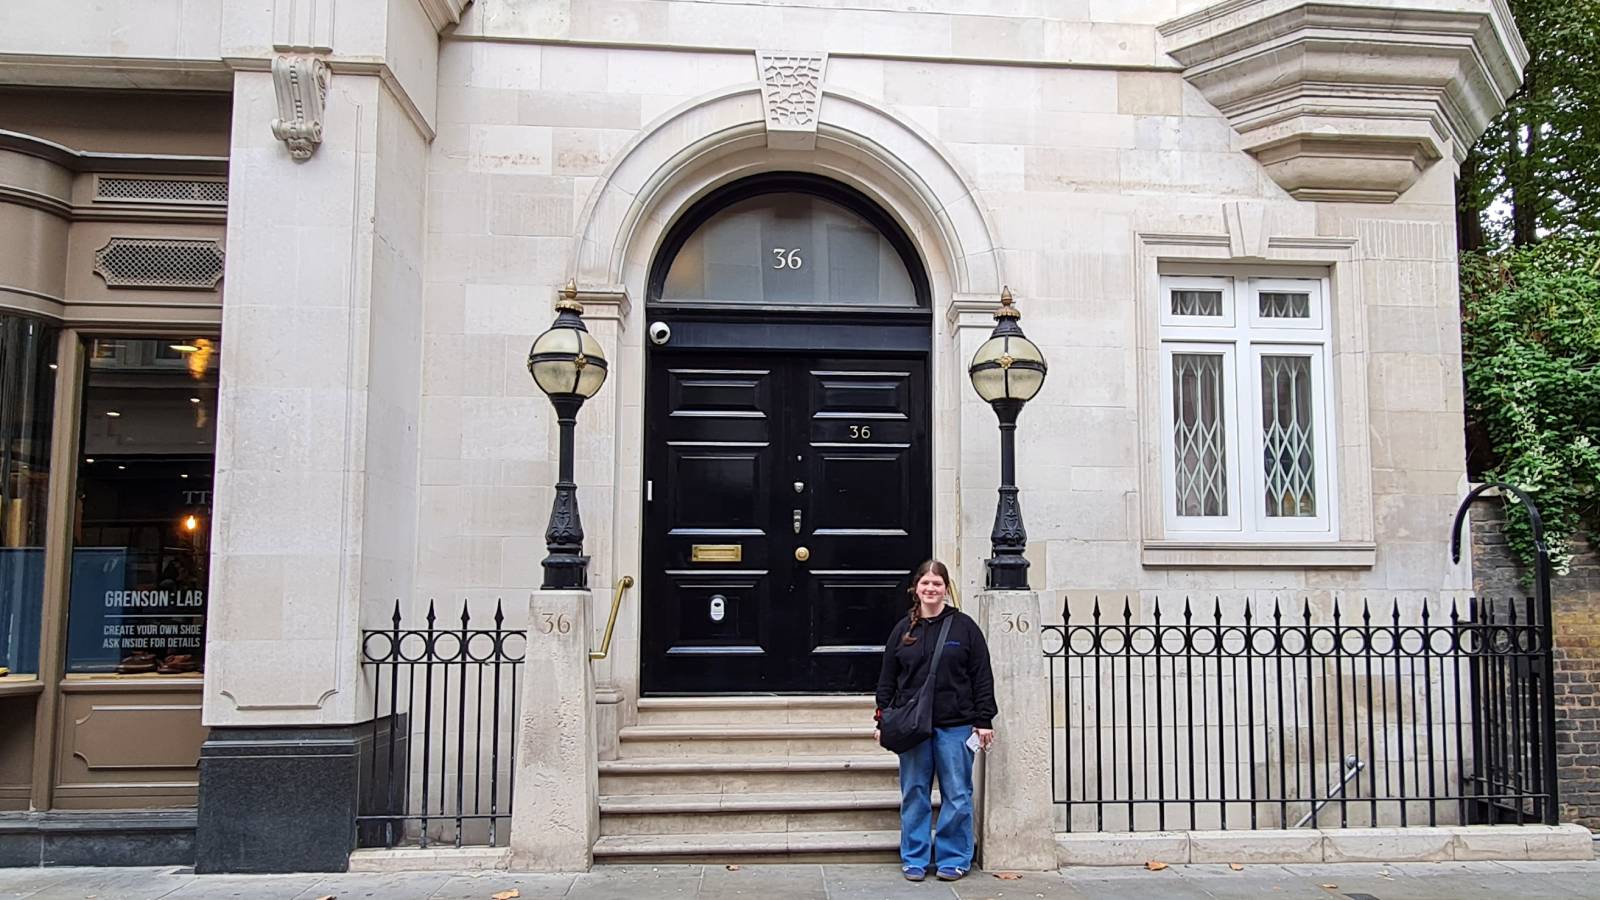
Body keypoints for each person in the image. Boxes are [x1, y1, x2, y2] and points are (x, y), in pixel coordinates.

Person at [873, 559, 996, 882]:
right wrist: (882, 718)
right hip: (913, 727)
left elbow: (981, 675)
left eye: (937, 584)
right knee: (915, 791)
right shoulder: (903, 629)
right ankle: (914, 856)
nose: (931, 589)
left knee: (957, 793)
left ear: (946, 589)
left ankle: (954, 857)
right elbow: (888, 678)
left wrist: (984, 719)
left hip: (956, 724)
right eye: (925, 583)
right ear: (916, 588)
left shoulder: (965, 627)